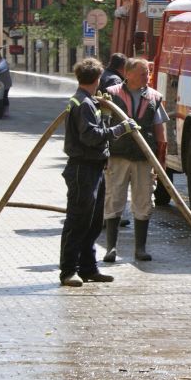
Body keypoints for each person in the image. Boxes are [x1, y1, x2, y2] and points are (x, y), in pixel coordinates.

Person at [59, 58, 138, 287]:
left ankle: (88, 268)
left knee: (93, 223)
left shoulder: (87, 102)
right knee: (78, 222)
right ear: (96, 79)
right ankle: (68, 271)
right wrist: (121, 128)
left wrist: (102, 113)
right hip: (82, 169)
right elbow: (91, 136)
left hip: (93, 167)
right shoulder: (82, 103)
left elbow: (92, 130)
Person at [102, 58, 169, 263]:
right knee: (114, 200)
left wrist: (161, 161)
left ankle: (140, 249)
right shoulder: (111, 95)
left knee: (143, 202)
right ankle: (111, 248)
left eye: (148, 73)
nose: (147, 77)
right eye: (143, 73)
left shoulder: (154, 97)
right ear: (128, 74)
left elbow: (160, 131)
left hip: (143, 158)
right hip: (118, 156)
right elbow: (103, 126)